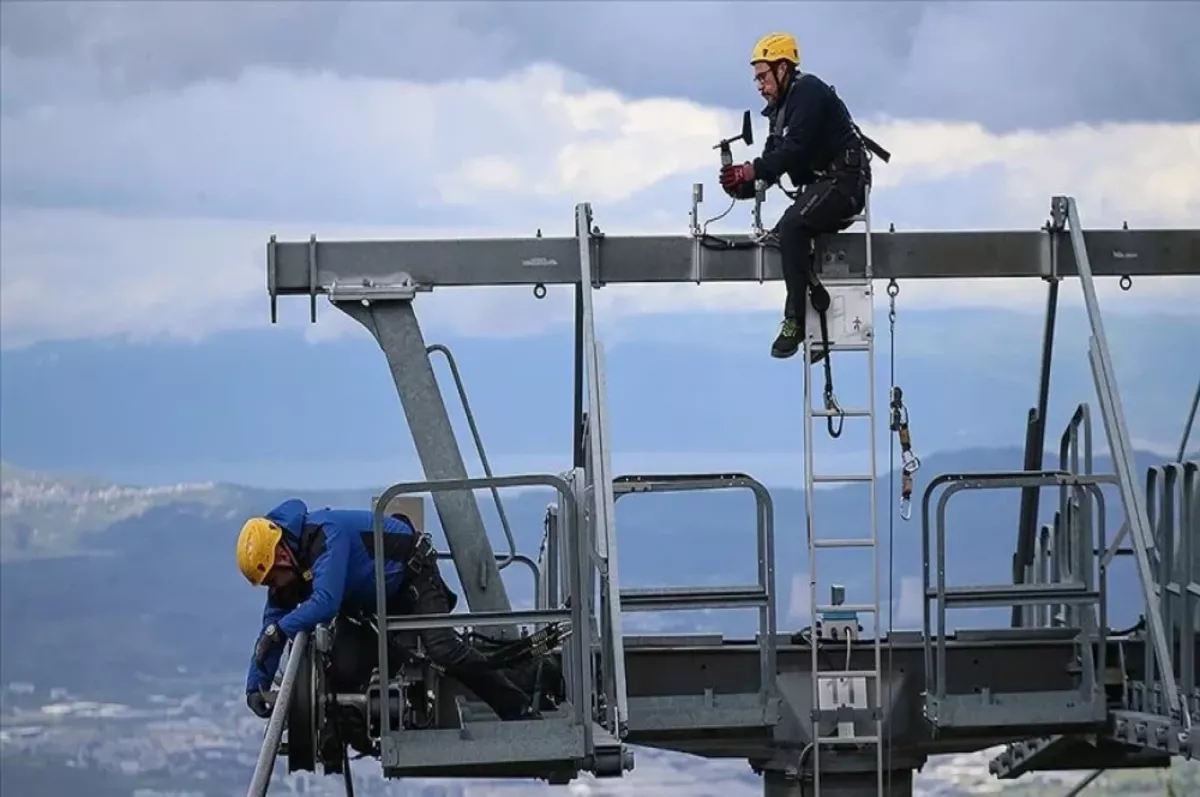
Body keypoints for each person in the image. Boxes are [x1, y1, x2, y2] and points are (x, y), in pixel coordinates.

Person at [236, 498, 537, 723]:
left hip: (413, 578)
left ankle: (518, 706)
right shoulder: (290, 569)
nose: (272, 587)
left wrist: (280, 631)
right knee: (345, 668)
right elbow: (272, 626)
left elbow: (324, 604)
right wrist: (256, 686)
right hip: (375, 600)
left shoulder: (327, 535)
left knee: (443, 650)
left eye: (272, 578)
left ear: (282, 555)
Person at [720, 32, 886, 361]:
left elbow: (793, 152)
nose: (760, 85)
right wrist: (741, 186)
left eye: (763, 76)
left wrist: (750, 171)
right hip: (828, 185)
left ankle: (795, 322)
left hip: (847, 183)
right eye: (757, 79)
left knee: (794, 226)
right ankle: (815, 317)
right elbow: (772, 162)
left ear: (783, 68)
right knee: (786, 232)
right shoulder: (780, 112)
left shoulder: (807, 93)